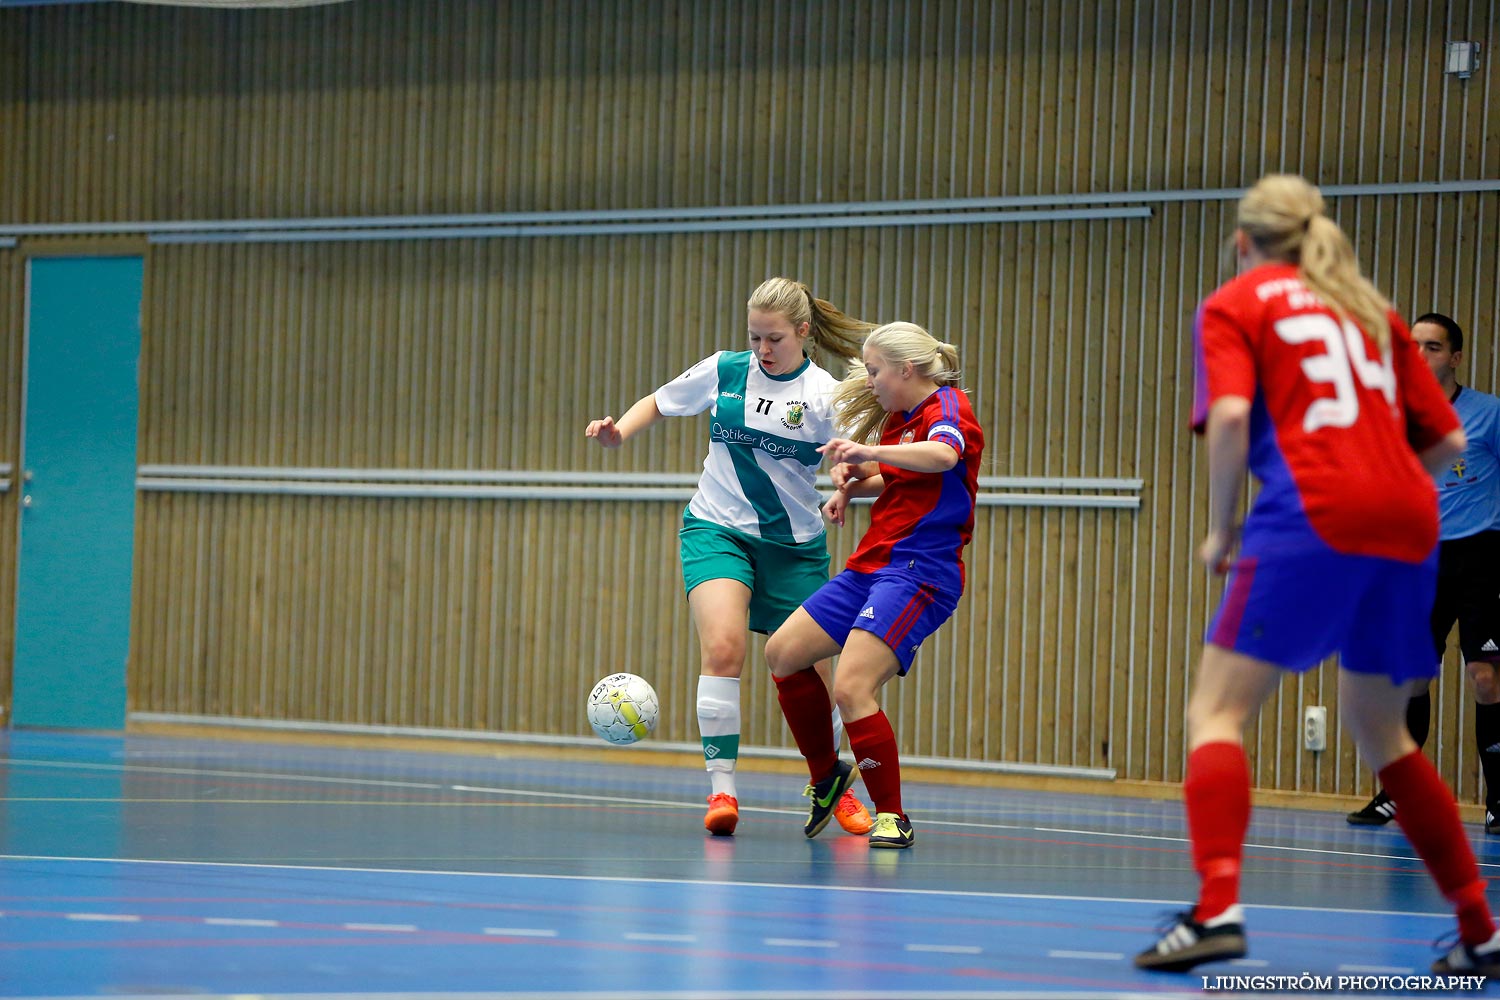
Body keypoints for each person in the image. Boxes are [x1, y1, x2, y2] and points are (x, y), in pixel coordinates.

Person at [1135, 174, 1500, 975]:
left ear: (1244, 241)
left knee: (1218, 713)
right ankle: (1481, 929)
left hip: (1313, 509)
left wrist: (1223, 529)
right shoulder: (1372, 310)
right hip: (1410, 518)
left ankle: (1216, 909)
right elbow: (1446, 446)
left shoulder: (1238, 301)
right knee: (1383, 730)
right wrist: (1379, 477)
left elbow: (1229, 418)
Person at [584, 276, 875, 838]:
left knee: (813, 673)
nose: (763, 350)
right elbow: (659, 401)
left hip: (795, 548)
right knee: (723, 648)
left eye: (775, 339)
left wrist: (847, 477)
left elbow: (860, 459)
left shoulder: (826, 396)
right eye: (755, 337)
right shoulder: (726, 371)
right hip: (717, 529)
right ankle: (722, 791)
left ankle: (827, 783)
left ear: (804, 333)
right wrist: (620, 432)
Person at [764, 321, 984, 850]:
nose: (870, 381)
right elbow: (905, 477)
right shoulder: (898, 421)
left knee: (851, 687)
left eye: (874, 370)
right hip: (872, 565)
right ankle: (827, 777)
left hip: (919, 572)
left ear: (906, 369)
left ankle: (893, 816)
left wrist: (868, 455)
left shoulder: (946, 409)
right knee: (783, 653)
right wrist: (855, 489)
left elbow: (943, 457)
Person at [1346, 311, 1500, 830]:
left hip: (1480, 557)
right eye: (1411, 346)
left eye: (1432, 347)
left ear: (1454, 357)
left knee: (1485, 677)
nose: (1419, 356)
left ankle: (1498, 801)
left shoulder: (1489, 414)